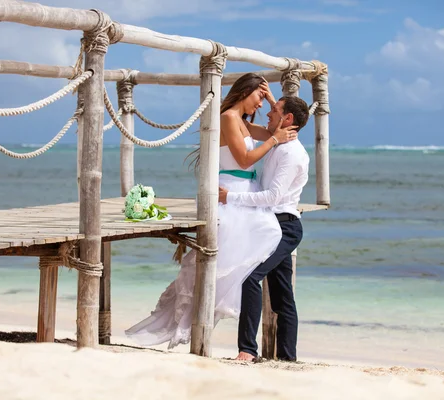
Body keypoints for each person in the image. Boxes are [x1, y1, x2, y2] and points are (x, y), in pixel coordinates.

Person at [125, 73, 301, 349]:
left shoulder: (243, 122)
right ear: (245, 92)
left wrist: (269, 100)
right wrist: (274, 140)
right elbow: (245, 159)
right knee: (239, 252)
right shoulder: (229, 118)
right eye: (258, 97)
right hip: (229, 191)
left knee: (259, 244)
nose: (259, 106)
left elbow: (271, 133)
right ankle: (220, 322)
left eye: (262, 100)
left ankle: (240, 314)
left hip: (245, 194)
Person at [218, 95, 311, 362]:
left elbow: (272, 197)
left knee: (250, 277)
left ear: (288, 119)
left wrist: (230, 198)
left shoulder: (292, 153)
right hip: (270, 224)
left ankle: (247, 351)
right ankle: (286, 359)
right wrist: (275, 102)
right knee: (283, 296)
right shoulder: (278, 144)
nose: (267, 113)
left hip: (285, 226)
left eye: (274, 111)